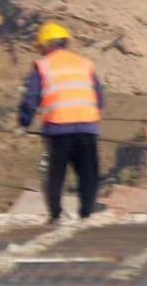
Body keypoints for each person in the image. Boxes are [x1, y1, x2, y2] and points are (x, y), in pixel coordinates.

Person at [18, 22, 103, 222]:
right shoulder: (84, 64)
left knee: (56, 174)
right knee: (88, 172)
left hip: (58, 128)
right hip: (87, 126)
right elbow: (99, 97)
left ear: (46, 44)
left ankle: (55, 214)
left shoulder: (43, 66)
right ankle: (87, 213)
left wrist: (23, 122)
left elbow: (31, 98)